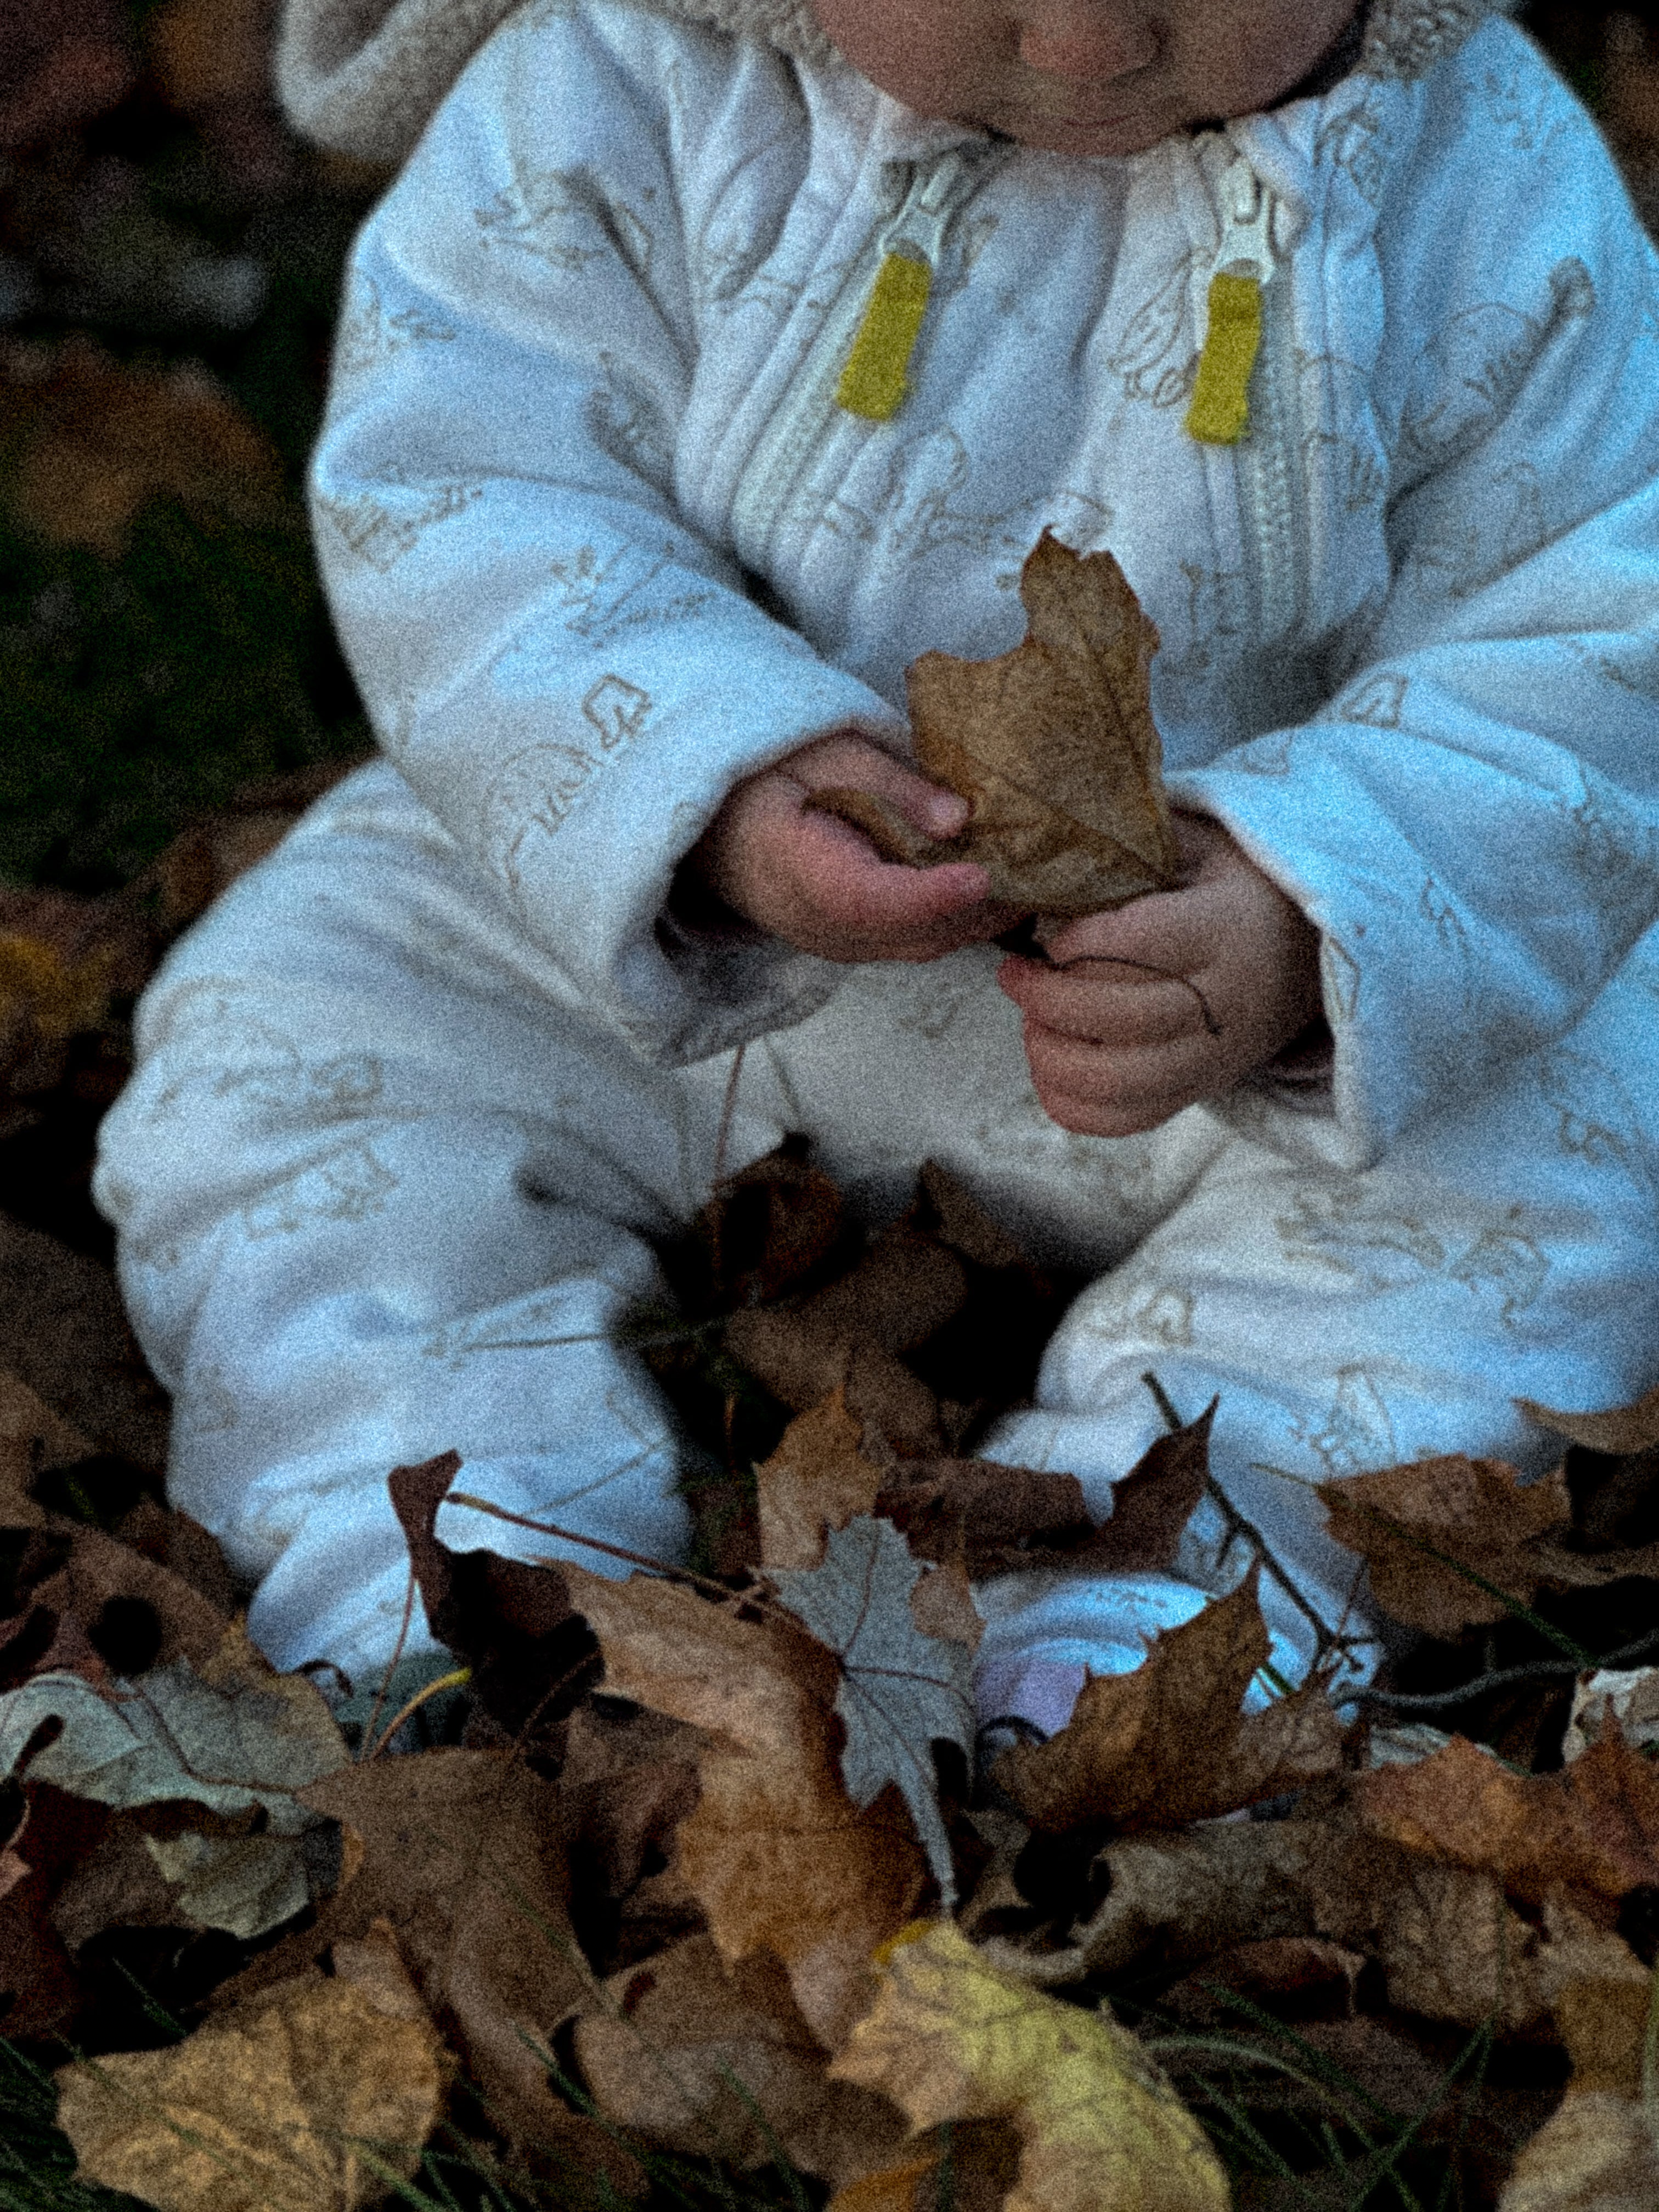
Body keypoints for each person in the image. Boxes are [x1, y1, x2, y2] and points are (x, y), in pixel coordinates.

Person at [93, 0, 1659, 1744]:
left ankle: (1169, 1567)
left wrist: (1312, 908)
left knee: (1584, 1122)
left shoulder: (1487, 184)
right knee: (290, 1032)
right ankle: (440, 1541)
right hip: (648, 947)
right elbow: (468, 487)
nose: (1084, 39)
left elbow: (1586, 628)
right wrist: (706, 780)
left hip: (1225, 1048)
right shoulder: (621, 93)